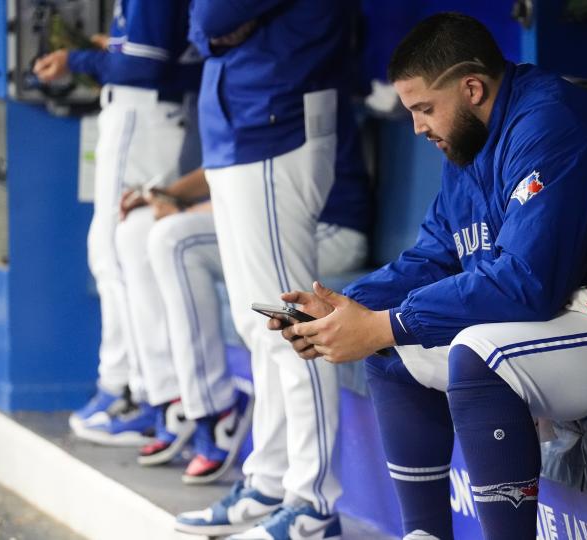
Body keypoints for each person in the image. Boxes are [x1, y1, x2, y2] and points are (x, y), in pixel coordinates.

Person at [272, 13, 587, 540]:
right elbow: (435, 256)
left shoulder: (551, 124)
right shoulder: (468, 138)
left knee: (477, 355)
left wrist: (386, 322)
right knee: (389, 346)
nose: (418, 127)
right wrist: (344, 309)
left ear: (471, 88)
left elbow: (527, 284)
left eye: (425, 108)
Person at [174, 0, 370, 538]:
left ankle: (311, 502)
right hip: (246, 123)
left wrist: (225, 27)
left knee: (294, 327)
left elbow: (212, 16)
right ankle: (270, 481)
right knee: (258, 324)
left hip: (275, 122)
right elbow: (199, 25)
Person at [33, 0, 202, 445]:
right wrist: (116, 51)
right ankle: (137, 390)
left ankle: (133, 392)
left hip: (143, 115)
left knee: (114, 254)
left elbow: (143, 69)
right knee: (121, 249)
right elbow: (155, 54)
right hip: (148, 113)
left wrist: (77, 59)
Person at [115, 168, 253, 484]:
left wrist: (179, 203)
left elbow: (245, 169)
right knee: (133, 230)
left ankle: (214, 407)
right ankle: (169, 395)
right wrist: (168, 197)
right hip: (252, 207)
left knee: (173, 238)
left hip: (320, 225)